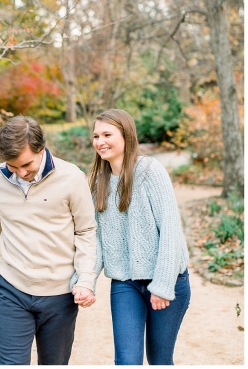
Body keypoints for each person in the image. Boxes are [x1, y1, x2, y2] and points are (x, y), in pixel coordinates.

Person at [0, 115, 97, 365]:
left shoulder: (72, 178)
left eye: (27, 164)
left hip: (59, 294)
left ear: (41, 149)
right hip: (12, 288)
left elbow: (86, 231)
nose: (21, 173)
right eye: (12, 166)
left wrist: (86, 279)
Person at [89, 109, 190, 365]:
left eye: (107, 134)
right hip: (126, 284)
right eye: (96, 136)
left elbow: (170, 230)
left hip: (168, 280)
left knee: (159, 359)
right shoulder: (97, 182)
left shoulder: (149, 171)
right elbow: (97, 240)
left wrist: (163, 285)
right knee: (126, 360)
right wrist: (85, 281)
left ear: (126, 135)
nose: (100, 141)